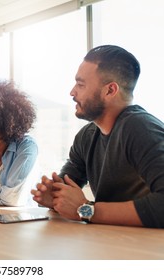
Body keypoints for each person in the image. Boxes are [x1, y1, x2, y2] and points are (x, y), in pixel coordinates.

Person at [32, 45, 164, 228]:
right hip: (109, 244)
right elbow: (65, 191)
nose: (72, 92)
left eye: (80, 85)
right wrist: (53, 197)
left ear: (110, 91)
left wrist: (86, 209)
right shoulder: (86, 136)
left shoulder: (141, 129)